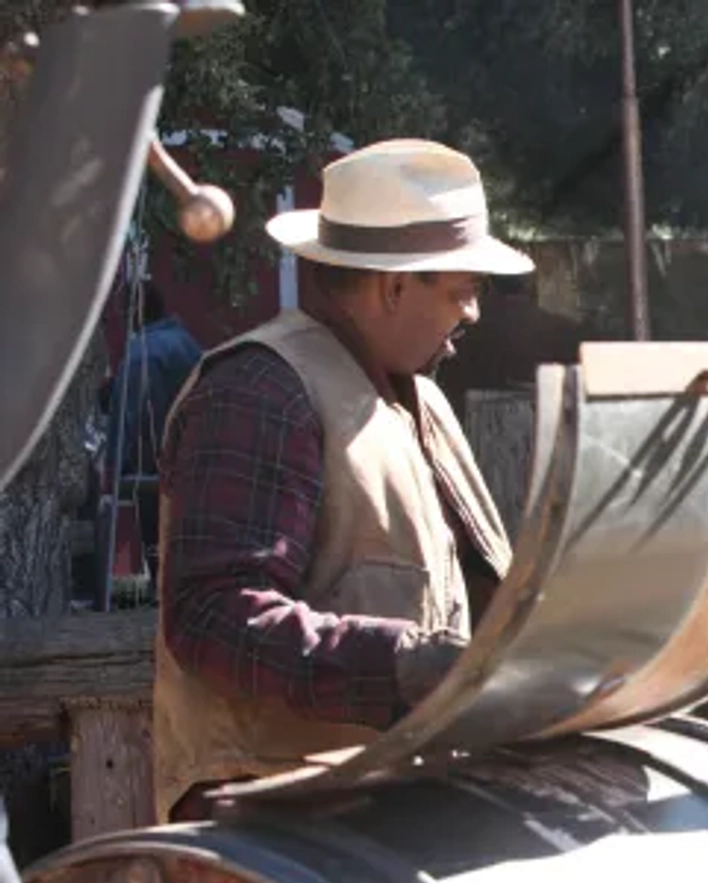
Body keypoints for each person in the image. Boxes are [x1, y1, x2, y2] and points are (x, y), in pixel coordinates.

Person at [153, 139, 532, 822]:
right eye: (463, 289)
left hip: (380, 818)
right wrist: (406, 665)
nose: (474, 313)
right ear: (393, 285)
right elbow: (214, 614)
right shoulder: (259, 390)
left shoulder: (423, 401)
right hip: (269, 839)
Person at [103, 283, 203, 576]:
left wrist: (115, 464)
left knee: (157, 544)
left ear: (133, 312)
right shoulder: (187, 342)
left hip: (154, 466)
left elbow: (128, 411)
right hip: (194, 460)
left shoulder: (142, 352)